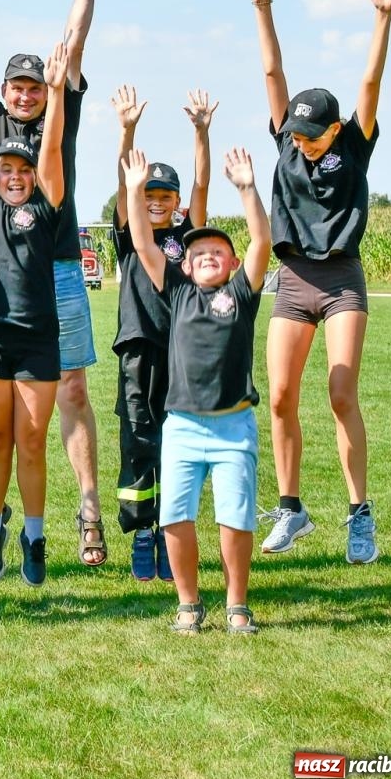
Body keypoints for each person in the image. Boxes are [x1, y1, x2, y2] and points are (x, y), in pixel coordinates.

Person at [0, 0, 108, 569]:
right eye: (16, 85)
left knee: (70, 394)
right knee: (1, 421)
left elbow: (74, 43)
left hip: (60, 267)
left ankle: (89, 512)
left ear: (47, 92)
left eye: (34, 86)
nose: (23, 93)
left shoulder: (56, 122)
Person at [238, 0, 391, 564]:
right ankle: (292, 509)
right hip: (294, 279)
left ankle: (360, 515)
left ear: (334, 130)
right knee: (278, 397)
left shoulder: (353, 144)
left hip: (341, 281)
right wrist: (262, 6)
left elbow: (370, 82)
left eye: (310, 135)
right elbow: (273, 69)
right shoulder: (287, 140)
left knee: (339, 393)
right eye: (295, 135)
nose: (300, 142)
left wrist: (382, 17)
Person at [121, 147, 271, 633]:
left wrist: (248, 189)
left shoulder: (242, 295)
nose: (208, 256)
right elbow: (144, 246)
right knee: (175, 518)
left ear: (230, 263)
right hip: (182, 426)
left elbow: (262, 242)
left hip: (233, 426)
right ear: (185, 266)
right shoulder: (178, 292)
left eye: (218, 252)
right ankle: (188, 603)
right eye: (198, 252)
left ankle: (236, 603)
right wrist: (133, 188)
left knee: (235, 519)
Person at [0, 35, 71, 586]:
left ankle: (33, 534)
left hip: (38, 341)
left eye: (20, 170)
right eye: (3, 168)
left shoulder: (46, 207)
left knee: (31, 439)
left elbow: (49, 151)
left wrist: (55, 89)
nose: (11, 175)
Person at [109, 85, 215, 581]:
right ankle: (142, 533)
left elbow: (202, 186)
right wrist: (127, 131)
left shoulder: (187, 237)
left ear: (175, 203)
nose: (156, 203)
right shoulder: (133, 238)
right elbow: (124, 181)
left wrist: (201, 132)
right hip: (136, 349)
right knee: (137, 439)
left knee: (175, 443)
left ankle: (172, 529)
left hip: (180, 354)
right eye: (147, 195)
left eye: (164, 197)